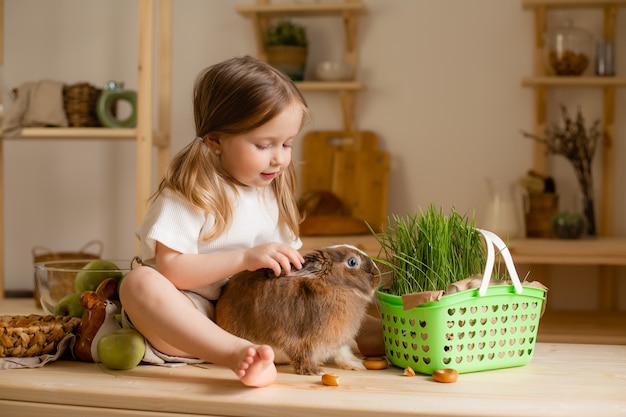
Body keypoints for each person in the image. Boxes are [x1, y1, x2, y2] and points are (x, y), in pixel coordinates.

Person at [119, 56, 383, 389]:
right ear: (216, 140)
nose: (280, 157)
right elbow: (171, 269)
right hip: (191, 313)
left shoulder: (271, 190)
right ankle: (236, 354)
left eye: (287, 144)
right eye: (264, 145)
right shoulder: (190, 192)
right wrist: (245, 258)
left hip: (258, 315)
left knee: (364, 322)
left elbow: (294, 269)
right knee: (139, 284)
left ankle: (401, 332)